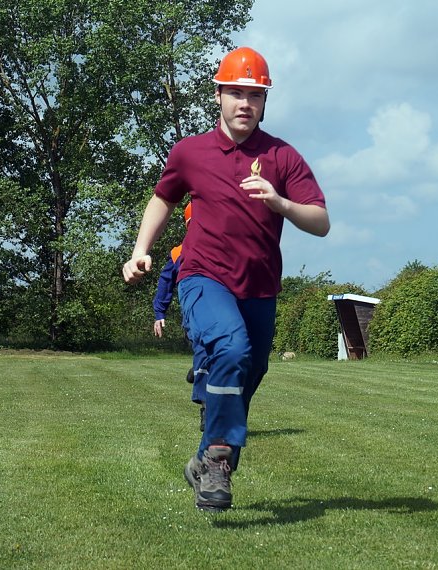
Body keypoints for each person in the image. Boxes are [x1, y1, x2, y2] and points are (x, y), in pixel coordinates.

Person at [123, 46, 329, 512]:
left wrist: (281, 204)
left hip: (259, 287)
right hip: (202, 276)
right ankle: (219, 463)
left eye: (253, 95)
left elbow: (320, 221)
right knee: (231, 350)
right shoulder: (190, 152)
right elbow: (163, 199)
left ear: (264, 102)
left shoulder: (282, 156)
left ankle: (202, 460)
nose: (244, 104)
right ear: (217, 95)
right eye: (235, 93)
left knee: (247, 373)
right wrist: (140, 251)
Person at [151, 203, 206, 430]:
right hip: (194, 318)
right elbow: (165, 284)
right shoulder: (177, 254)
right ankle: (207, 409)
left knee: (213, 357)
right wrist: (159, 312)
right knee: (205, 352)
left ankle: (199, 369)